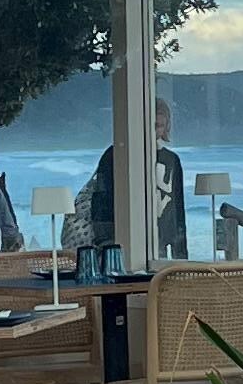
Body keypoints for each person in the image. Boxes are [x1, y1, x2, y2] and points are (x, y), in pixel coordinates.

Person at [80, 92, 188, 262]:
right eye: (150, 125)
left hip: (159, 240)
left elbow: (177, 207)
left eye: (159, 126)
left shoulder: (171, 160)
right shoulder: (115, 155)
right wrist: (103, 241)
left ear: (166, 127)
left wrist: (180, 254)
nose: (153, 131)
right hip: (119, 237)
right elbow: (101, 198)